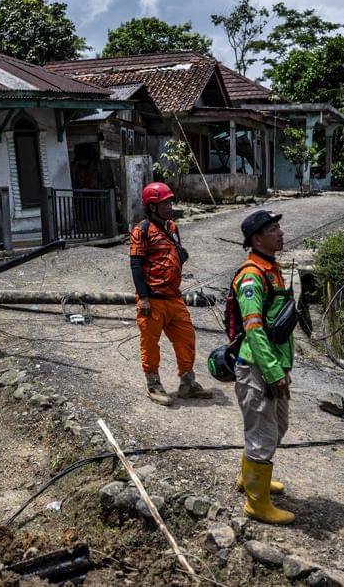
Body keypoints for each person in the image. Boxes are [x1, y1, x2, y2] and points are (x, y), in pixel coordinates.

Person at [232, 209, 295, 524]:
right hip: (258, 366)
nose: (281, 232)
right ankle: (257, 504)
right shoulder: (252, 275)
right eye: (273, 229)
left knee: (275, 427)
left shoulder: (271, 268)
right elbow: (254, 329)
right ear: (257, 239)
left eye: (279, 227)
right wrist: (272, 371)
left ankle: (250, 477)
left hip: (274, 364)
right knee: (263, 432)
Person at [129, 182, 214, 405]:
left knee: (186, 338)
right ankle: (154, 385)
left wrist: (178, 258)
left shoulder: (173, 228)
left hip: (173, 297)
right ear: (152, 206)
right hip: (152, 299)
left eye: (170, 201)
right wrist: (144, 298)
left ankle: (187, 383)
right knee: (150, 343)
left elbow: (177, 251)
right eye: (164, 203)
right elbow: (136, 265)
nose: (169, 206)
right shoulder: (142, 230)